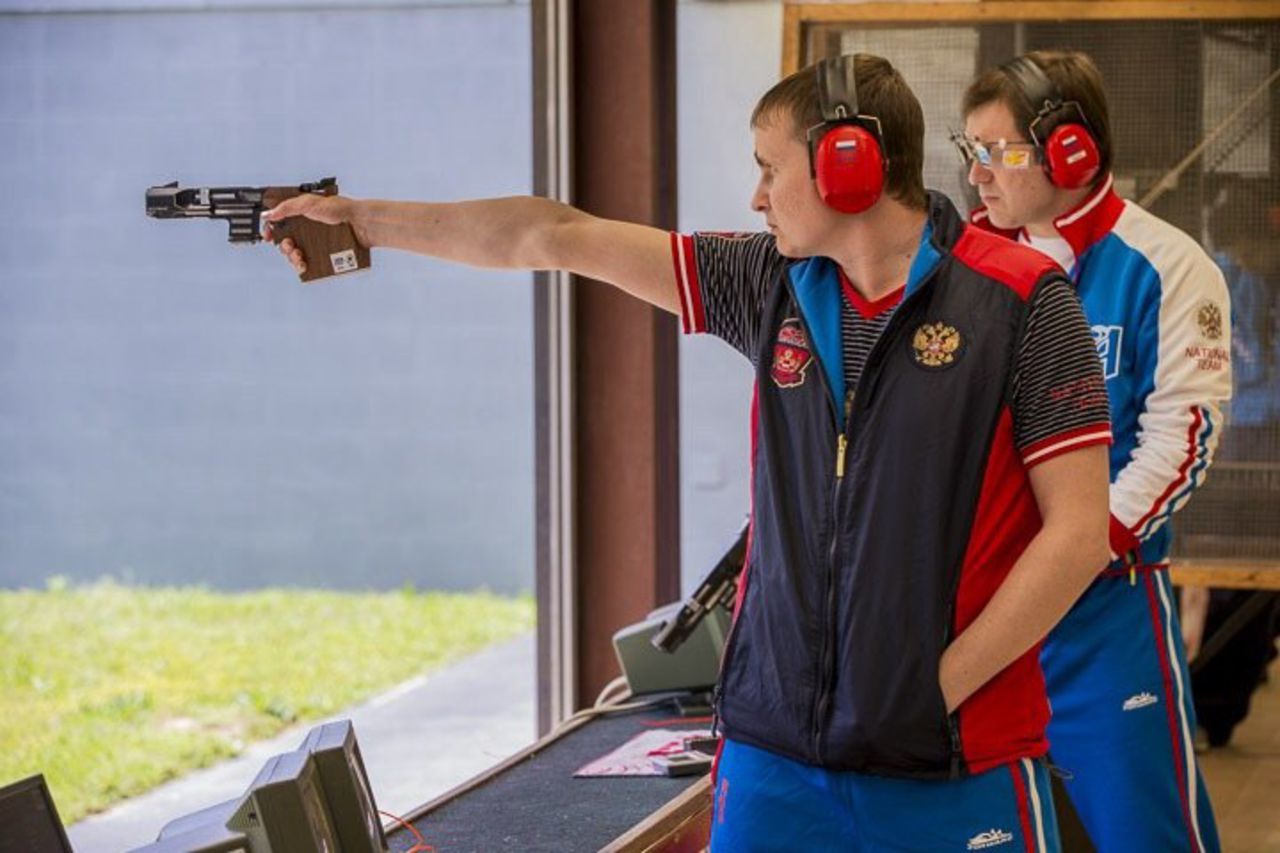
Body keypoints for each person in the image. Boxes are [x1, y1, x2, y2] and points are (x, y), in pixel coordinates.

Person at [269, 53, 1112, 851]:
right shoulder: (766, 283)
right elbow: (549, 234)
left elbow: (1076, 536)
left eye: (770, 168)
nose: (757, 196)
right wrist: (364, 222)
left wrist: (932, 692)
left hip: (955, 760)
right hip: (774, 752)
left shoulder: (1023, 303)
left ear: (846, 165)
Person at [958, 50, 1232, 852]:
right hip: (976, 607)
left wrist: (1070, 553)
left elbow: (1181, 438)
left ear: (1070, 151)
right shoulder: (963, 268)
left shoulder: (1167, 264)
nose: (977, 175)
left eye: (996, 151)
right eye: (969, 150)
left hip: (1105, 604)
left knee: (1141, 828)